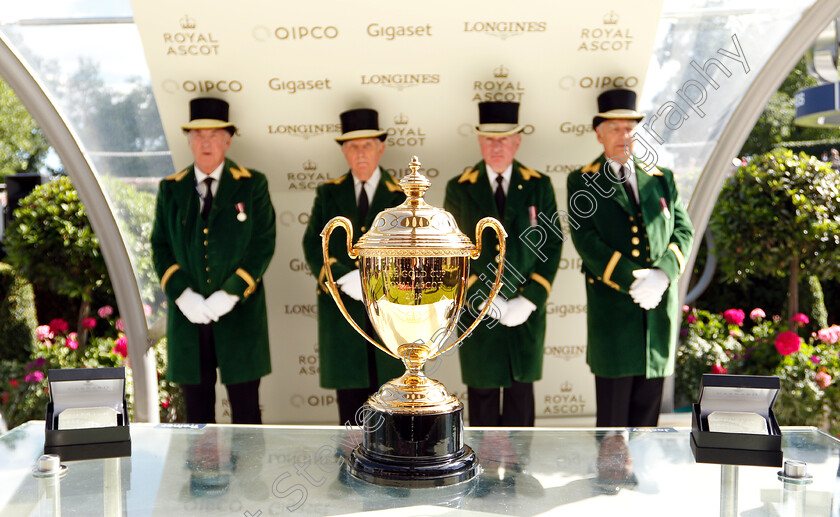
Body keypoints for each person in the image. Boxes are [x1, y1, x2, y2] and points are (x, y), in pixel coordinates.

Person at [566, 88, 694, 427]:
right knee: (612, 428)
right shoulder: (582, 180)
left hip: (657, 316)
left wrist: (663, 275)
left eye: (630, 128)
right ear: (599, 133)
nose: (624, 135)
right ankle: (608, 482)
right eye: (614, 128)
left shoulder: (661, 178)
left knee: (647, 422)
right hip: (614, 319)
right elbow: (586, 241)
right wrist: (634, 280)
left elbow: (684, 231)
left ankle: (642, 480)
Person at [151, 97, 276, 424]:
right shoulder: (170, 189)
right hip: (189, 319)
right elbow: (160, 246)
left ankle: (248, 477)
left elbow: (262, 244)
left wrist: (231, 292)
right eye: (198, 135)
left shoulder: (252, 184)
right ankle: (200, 477)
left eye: (214, 135)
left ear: (228, 139)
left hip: (240, 315)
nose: (206, 142)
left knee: (247, 414)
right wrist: (182, 294)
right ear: (189, 140)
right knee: (196, 418)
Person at [444, 101, 562, 427]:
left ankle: (518, 477)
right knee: (481, 400)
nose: (497, 146)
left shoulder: (538, 184)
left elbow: (551, 244)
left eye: (505, 138)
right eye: (489, 139)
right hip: (476, 313)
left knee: (521, 400)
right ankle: (481, 477)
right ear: (479, 141)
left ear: (518, 141)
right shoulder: (460, 188)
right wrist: (482, 297)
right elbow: (454, 250)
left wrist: (530, 298)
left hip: (524, 314)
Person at [302, 108, 405, 426]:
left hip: (390, 315)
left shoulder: (402, 194)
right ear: (344, 151)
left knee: (394, 408)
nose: (360, 153)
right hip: (344, 315)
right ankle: (351, 471)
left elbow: (411, 253)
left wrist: (375, 284)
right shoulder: (329, 193)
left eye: (367, 145)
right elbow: (312, 244)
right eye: (353, 146)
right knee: (350, 417)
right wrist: (344, 277)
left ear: (381, 148)